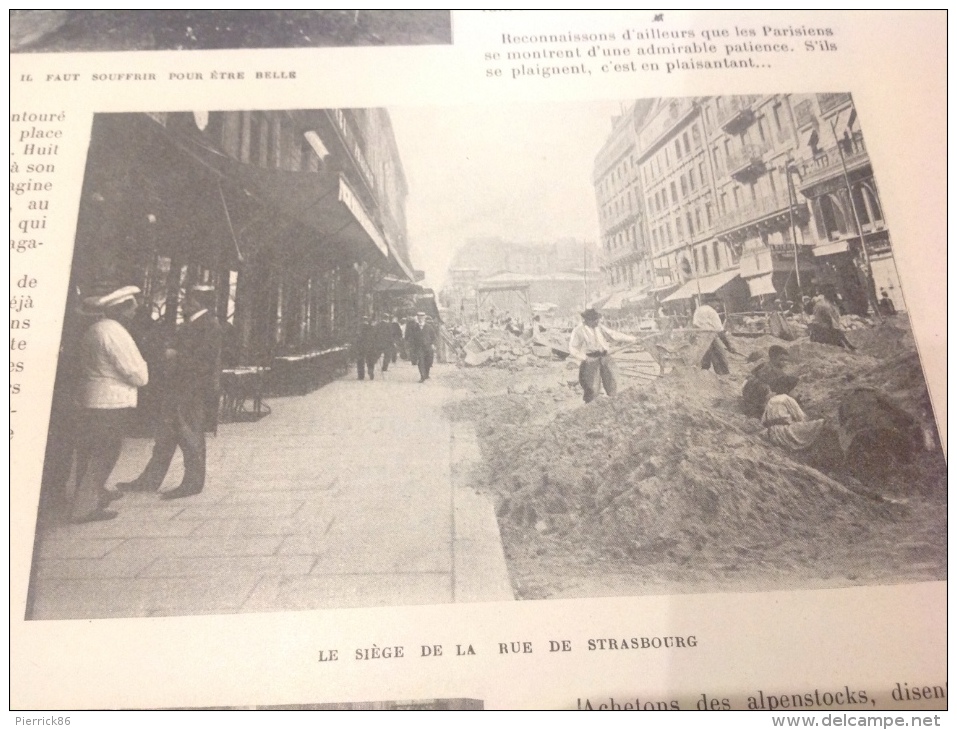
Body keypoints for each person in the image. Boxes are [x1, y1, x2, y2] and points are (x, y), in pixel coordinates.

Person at [118, 284, 222, 500]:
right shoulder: (193, 324)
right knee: (165, 437)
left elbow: (206, 364)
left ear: (200, 302)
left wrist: (175, 355)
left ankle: (193, 484)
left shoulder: (209, 325)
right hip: (178, 389)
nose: (184, 302)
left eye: (189, 299)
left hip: (191, 391)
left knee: (190, 436)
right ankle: (149, 481)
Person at [70, 286, 149, 523]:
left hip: (92, 398)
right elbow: (136, 373)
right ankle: (85, 508)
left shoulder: (95, 329)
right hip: (111, 401)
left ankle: (92, 494)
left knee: (91, 451)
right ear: (122, 310)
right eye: (132, 306)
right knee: (105, 452)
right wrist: (143, 376)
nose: (136, 310)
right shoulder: (115, 332)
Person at [568, 308, 636, 403]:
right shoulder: (578, 330)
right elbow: (573, 347)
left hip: (605, 357)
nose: (598, 321)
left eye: (597, 319)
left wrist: (632, 339)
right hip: (591, 359)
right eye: (595, 319)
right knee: (592, 388)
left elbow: (613, 335)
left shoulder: (599, 327)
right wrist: (584, 358)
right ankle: (590, 408)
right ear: (588, 320)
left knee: (612, 381)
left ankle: (613, 403)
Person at [760, 384, 826, 452]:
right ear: (789, 390)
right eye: (795, 390)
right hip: (784, 432)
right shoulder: (787, 399)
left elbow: (763, 421)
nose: (797, 393)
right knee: (819, 424)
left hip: (770, 432)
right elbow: (801, 418)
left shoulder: (771, 400)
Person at [742, 345, 799, 418]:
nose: (784, 363)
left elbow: (751, 374)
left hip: (750, 395)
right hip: (756, 401)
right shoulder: (769, 370)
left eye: (786, 361)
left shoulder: (765, 365)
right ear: (773, 358)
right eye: (781, 360)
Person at [692, 299, 739, 375]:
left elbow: (694, 323)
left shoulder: (699, 309)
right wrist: (729, 346)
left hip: (700, 333)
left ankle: (704, 371)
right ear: (710, 301)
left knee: (704, 354)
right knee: (720, 354)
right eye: (716, 305)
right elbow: (720, 331)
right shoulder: (712, 312)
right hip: (709, 334)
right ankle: (724, 374)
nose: (717, 307)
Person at [407, 311, 438, 382]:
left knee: (428, 362)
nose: (420, 319)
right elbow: (411, 337)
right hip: (418, 347)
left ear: (424, 318)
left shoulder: (429, 327)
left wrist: (433, 344)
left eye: (422, 317)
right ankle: (422, 376)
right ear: (417, 318)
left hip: (428, 347)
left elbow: (434, 337)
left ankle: (426, 374)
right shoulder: (414, 327)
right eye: (419, 318)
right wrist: (412, 346)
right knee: (420, 361)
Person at [355, 316, 379, 380]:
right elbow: (375, 338)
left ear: (361, 320)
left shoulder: (359, 328)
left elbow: (357, 338)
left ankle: (361, 376)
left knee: (360, 361)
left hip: (361, 346)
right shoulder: (372, 328)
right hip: (370, 346)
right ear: (367, 321)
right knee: (370, 360)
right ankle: (370, 370)